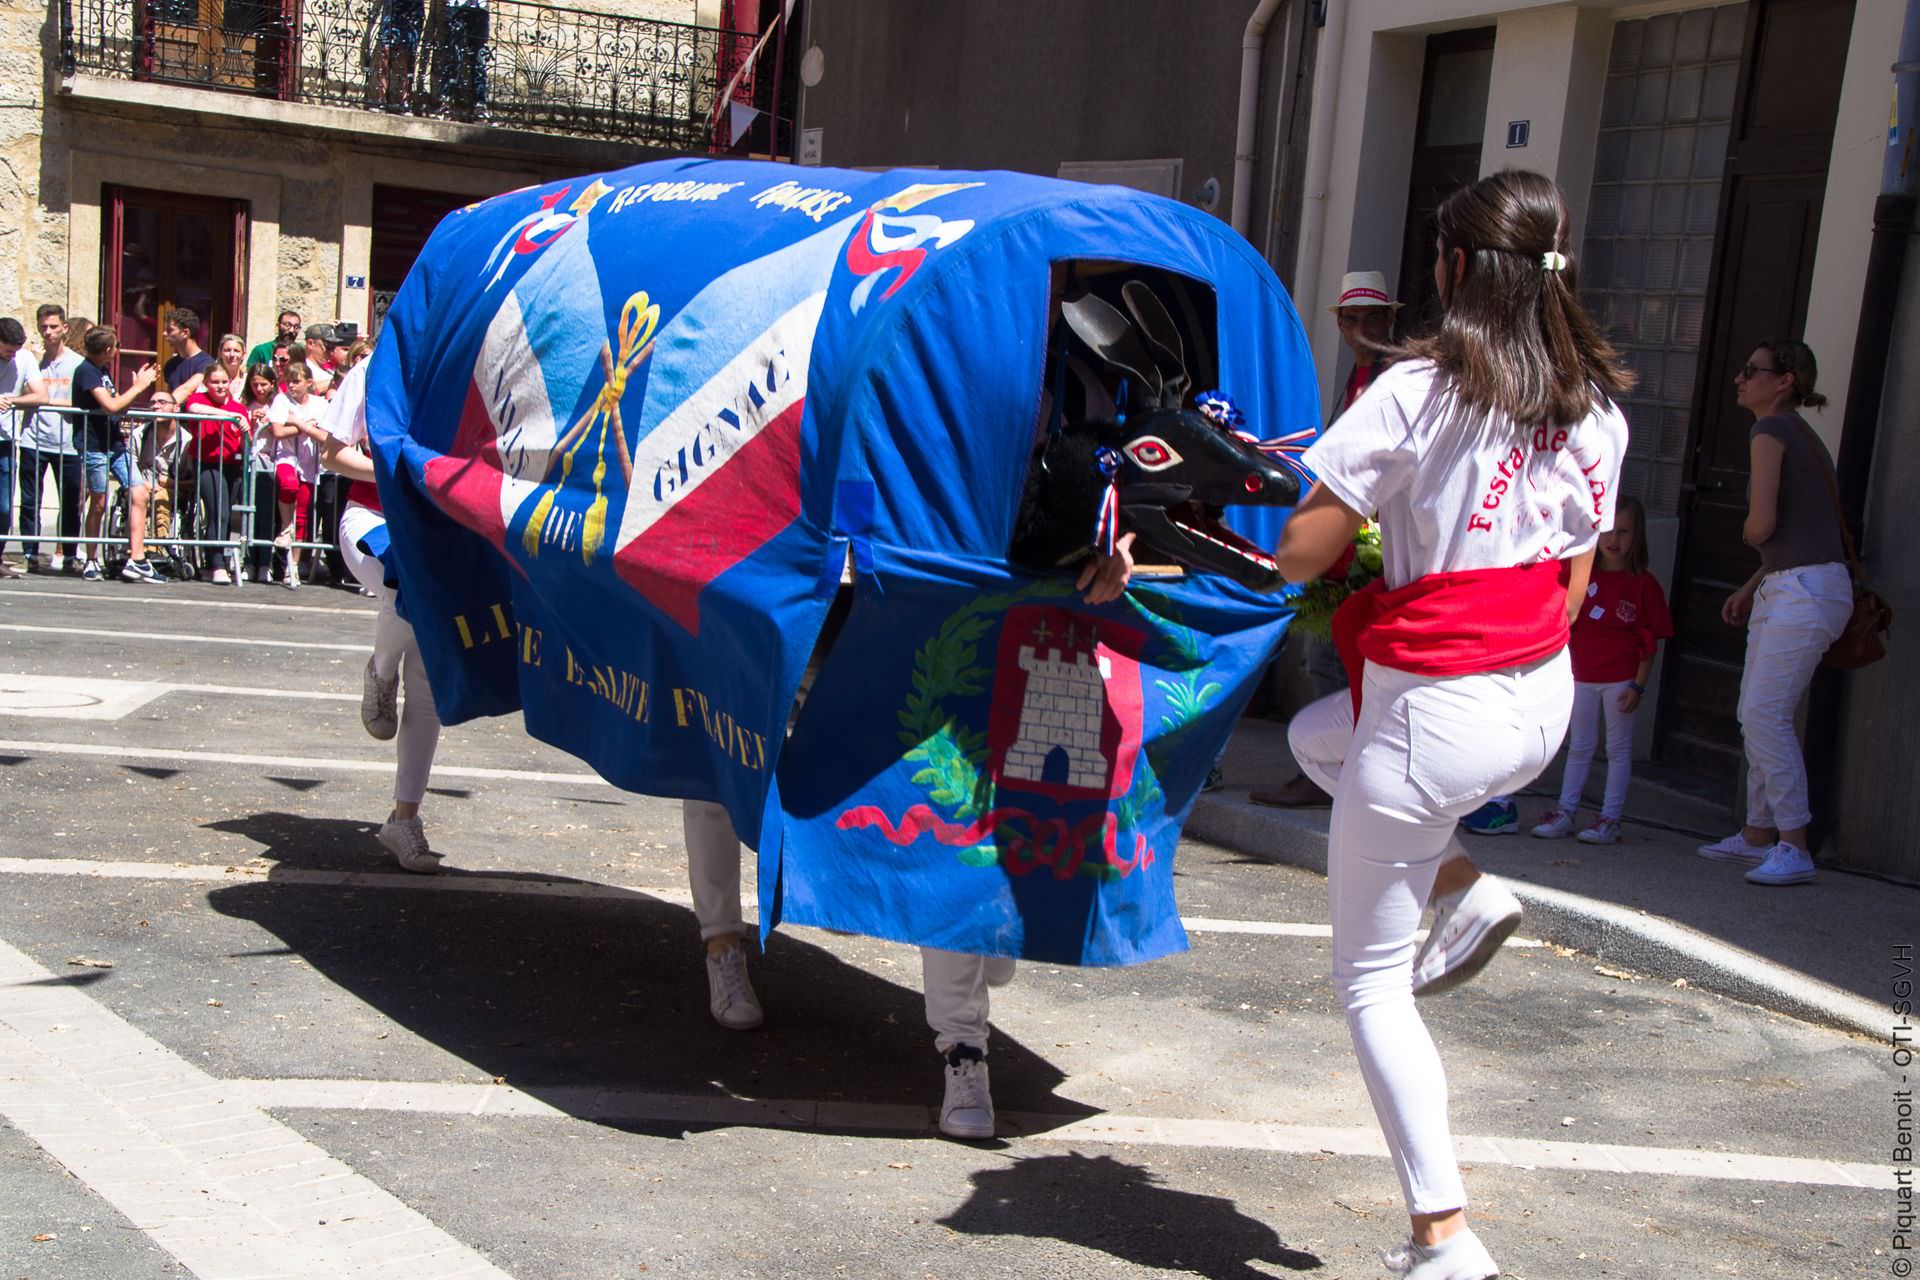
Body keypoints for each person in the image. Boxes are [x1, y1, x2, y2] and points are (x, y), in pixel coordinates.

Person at [1266, 170, 1629, 1279]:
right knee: (1316, 739)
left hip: (1436, 706)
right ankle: (1465, 882)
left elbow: (1299, 553)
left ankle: (1443, 1236)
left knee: (1370, 982)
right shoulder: (1599, 410)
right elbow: (1571, 590)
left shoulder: (1417, 391)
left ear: (1456, 268)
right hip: (1537, 701)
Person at [1696, 340, 1851, 887]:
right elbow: (1801, 531)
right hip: (1796, 584)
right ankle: (1759, 833)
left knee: (1763, 714)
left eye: (1751, 371)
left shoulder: (1770, 431)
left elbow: (1760, 526)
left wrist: (1747, 540)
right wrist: (1752, 583)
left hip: (1803, 590)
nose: (1739, 379)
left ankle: (1794, 842)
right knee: (1756, 711)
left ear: (1784, 381)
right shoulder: (1799, 433)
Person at [1254, 270, 1402, 811]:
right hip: (1345, 547)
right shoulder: (1360, 377)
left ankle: (1340, 770)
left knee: (1346, 662)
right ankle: (1327, 769)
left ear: (1390, 318)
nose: (1360, 328)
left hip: (1370, 549)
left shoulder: (1391, 379)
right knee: (1324, 660)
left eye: (1371, 318)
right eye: (1351, 319)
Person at [318, 355, 446, 873]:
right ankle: (380, 669)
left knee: (430, 675)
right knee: (406, 587)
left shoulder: (464, 353)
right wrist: (402, 473)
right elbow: (332, 454)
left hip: (439, 531)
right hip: (370, 517)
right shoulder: (374, 367)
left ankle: (403, 819)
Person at [1531, 496, 1671, 843]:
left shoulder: (1644, 584)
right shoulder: (1582, 576)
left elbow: (1650, 641)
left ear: (1637, 536)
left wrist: (1638, 686)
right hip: (1581, 677)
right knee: (1579, 746)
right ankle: (1566, 811)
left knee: (1618, 749)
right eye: (1607, 530)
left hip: (1620, 680)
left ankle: (1610, 819)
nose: (1614, 539)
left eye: (1623, 532)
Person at [71, 326, 158, 582]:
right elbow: (110, 406)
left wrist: (132, 390)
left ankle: (137, 558)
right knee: (98, 502)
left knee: (139, 492)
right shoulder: (87, 371)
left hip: (115, 444)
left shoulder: (103, 370)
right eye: (115, 346)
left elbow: (118, 403)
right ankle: (91, 558)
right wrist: (141, 387)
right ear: (108, 349)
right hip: (94, 445)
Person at [21, 306, 84, 572]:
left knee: (70, 502)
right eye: (43, 327)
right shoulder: (32, 361)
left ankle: (69, 554)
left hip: (66, 441)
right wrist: (33, 365)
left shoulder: (76, 363)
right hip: (33, 438)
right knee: (30, 500)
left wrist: (46, 399)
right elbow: (23, 392)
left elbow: (81, 399)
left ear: (64, 328)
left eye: (53, 327)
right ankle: (30, 553)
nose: (48, 332)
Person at [180, 364, 250, 583]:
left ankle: (217, 562)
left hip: (232, 464)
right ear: (206, 384)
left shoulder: (239, 407)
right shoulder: (199, 400)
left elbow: (244, 436)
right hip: (208, 463)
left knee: (226, 515)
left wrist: (244, 428)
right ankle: (217, 563)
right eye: (215, 382)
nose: (220, 387)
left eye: (224, 382)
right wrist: (227, 415)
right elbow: (194, 410)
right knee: (216, 511)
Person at [264, 361, 326, 589]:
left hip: (309, 462)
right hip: (286, 457)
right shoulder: (281, 400)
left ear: (309, 383)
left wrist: (300, 424)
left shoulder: (320, 404)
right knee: (288, 485)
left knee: (304, 514)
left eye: (296, 381)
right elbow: (278, 431)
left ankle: (294, 566)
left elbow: (324, 434)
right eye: (288, 381)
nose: (291, 385)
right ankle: (284, 525)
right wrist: (303, 425)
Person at [0, 317, 50, 577]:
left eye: (15, 350)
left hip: (5, 441)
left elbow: (41, 395)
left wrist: (13, 399)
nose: (12, 355)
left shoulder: (25, 359)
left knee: (5, 507)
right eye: (7, 350)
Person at [144, 388, 192, 578]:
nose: (156, 406)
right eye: (153, 403)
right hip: (142, 487)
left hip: (172, 490)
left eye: (162, 402)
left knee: (161, 496)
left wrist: (170, 484)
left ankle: (156, 547)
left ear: (176, 408)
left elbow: (194, 482)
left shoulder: (187, 440)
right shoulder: (140, 434)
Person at [161, 308, 213, 400]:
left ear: (185, 333)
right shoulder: (170, 365)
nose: (164, 333)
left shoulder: (207, 364)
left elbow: (187, 390)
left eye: (170, 330)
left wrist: (166, 406)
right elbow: (169, 394)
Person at [304, 324, 338, 397]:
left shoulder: (330, 369)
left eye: (333, 346)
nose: (331, 351)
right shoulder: (304, 369)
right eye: (327, 346)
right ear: (311, 344)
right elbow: (304, 392)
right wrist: (336, 381)